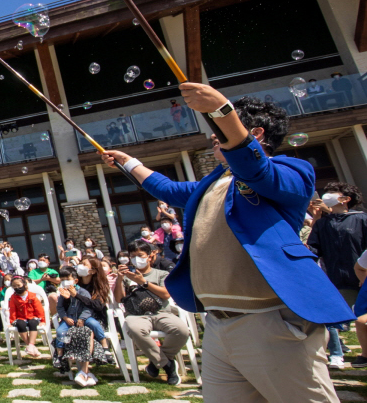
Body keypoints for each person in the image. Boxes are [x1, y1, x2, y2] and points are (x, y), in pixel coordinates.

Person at [104, 87, 353, 402]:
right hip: (219, 326)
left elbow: (256, 168)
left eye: (217, 130)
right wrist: (129, 162)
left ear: (256, 133)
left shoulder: (291, 170)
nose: (212, 136)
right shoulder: (214, 182)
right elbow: (168, 188)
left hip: (271, 321)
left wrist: (223, 111)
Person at [110, 240, 188, 385]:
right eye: (133, 256)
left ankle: (156, 363)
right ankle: (168, 366)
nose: (136, 259)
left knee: (181, 330)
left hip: (161, 312)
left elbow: (166, 294)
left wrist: (144, 282)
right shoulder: (127, 276)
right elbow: (119, 298)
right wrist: (120, 278)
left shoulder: (161, 274)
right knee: (136, 330)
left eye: (140, 255)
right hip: (137, 314)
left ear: (149, 256)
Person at [307, 181, 366, 369]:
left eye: (333, 192)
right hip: (336, 279)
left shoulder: (361, 219)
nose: (327, 195)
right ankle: (336, 354)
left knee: (363, 320)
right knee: (331, 318)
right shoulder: (323, 224)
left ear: (346, 199)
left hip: (363, 278)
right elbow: (313, 249)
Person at [7, 275, 44, 358]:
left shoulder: (32, 296)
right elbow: (12, 310)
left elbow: (39, 308)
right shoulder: (13, 297)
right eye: (14, 286)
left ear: (25, 285)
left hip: (32, 316)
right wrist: (11, 321)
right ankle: (30, 346)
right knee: (20, 324)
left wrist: (42, 320)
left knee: (33, 323)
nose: (17, 288)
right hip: (21, 317)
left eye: (18, 285)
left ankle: (31, 345)